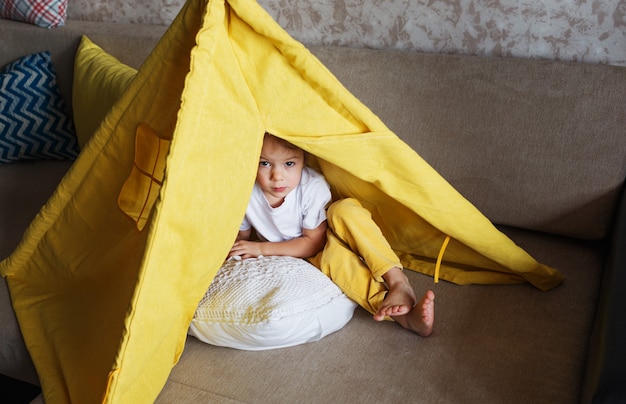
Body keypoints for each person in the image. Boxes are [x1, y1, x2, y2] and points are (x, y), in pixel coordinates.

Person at [229, 133, 435, 337]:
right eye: (265, 164)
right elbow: (241, 237)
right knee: (338, 263)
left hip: (324, 235)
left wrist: (260, 249)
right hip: (319, 253)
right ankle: (405, 317)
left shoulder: (311, 185)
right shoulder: (246, 191)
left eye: (289, 164)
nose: (277, 176)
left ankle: (398, 281)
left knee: (344, 209)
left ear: (303, 161)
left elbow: (313, 243)